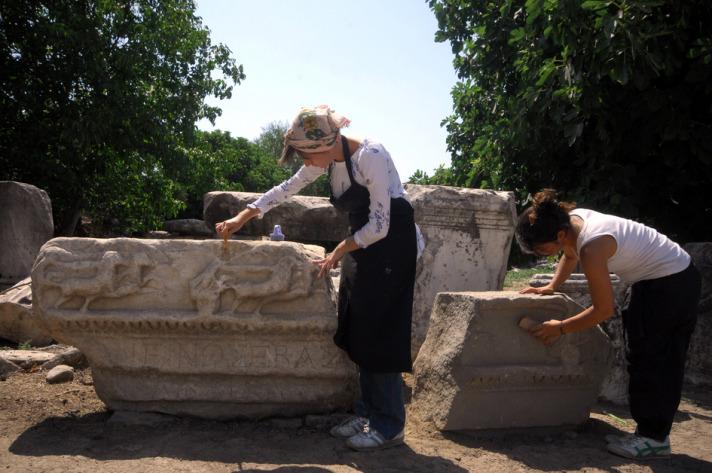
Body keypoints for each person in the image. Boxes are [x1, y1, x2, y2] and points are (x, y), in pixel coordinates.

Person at [215, 105, 424, 451]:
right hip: (362, 243)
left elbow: (383, 224)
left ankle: (390, 425)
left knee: (381, 330)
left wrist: (340, 250)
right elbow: (288, 187)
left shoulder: (370, 155)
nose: (306, 164)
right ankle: (368, 412)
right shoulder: (329, 157)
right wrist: (243, 216)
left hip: (391, 246)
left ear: (323, 145)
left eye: (305, 156)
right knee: (358, 326)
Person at [515, 189, 701, 460]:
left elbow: (603, 310)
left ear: (559, 235)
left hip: (671, 284)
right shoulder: (570, 222)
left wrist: (561, 327)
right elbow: (569, 254)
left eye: (543, 249)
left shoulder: (592, 245)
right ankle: (646, 433)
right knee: (640, 352)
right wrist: (552, 286)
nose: (543, 255)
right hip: (658, 280)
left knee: (656, 360)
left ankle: (654, 438)